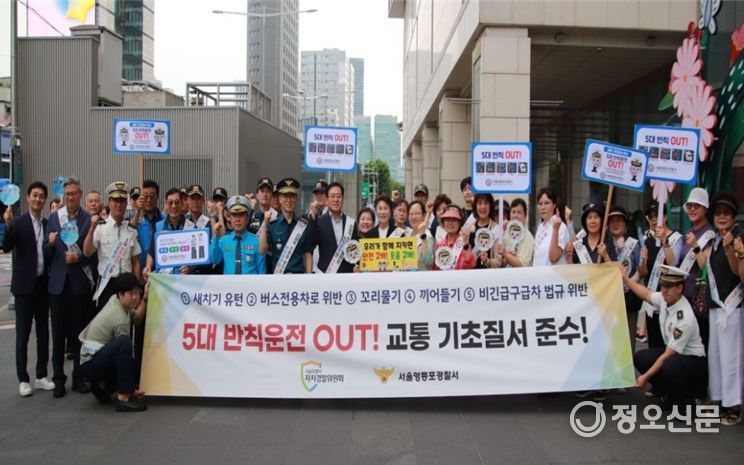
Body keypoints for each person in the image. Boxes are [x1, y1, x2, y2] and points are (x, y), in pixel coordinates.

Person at [622, 265, 707, 409]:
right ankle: (670, 393)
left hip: (692, 361)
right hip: (676, 356)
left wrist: (645, 377)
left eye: (669, 287)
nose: (664, 290)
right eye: (663, 286)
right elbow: (646, 294)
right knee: (641, 358)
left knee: (669, 365)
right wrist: (626, 280)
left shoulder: (684, 317)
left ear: (679, 288)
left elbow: (668, 355)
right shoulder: (665, 299)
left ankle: (687, 403)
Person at [3, 181, 55, 396]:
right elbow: (6, 246)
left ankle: (41, 376)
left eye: (41, 196)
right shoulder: (18, 222)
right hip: (24, 287)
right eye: (34, 195)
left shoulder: (47, 224)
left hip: (42, 285)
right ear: (27, 197)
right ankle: (23, 379)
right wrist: (7, 225)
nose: (38, 199)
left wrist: (51, 245)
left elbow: (48, 256)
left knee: (43, 332)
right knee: (23, 334)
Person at [46, 176, 93, 397]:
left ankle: (78, 378)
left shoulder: (88, 219)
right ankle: (58, 379)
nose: (70, 197)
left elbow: (92, 253)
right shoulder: (55, 218)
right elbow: (46, 253)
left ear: (80, 195)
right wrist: (50, 244)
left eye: (74, 194)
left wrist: (79, 258)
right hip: (58, 285)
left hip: (79, 284)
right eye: (67, 194)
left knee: (78, 335)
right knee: (58, 336)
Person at [79, 272, 147, 412]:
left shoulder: (116, 301)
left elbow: (137, 319)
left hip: (94, 359)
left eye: (137, 293)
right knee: (124, 344)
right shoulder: (119, 319)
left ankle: (102, 387)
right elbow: (124, 353)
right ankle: (123, 398)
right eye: (131, 294)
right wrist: (131, 389)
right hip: (91, 364)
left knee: (135, 366)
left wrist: (145, 299)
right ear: (121, 294)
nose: (135, 297)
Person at [704, 192, 743, 426]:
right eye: (718, 213)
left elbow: (738, 272)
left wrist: (732, 250)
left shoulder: (737, 237)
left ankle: (733, 405)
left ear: (733, 216)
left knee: (731, 359)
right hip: (716, 306)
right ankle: (719, 399)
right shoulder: (716, 240)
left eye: (726, 213)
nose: (721, 217)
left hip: (732, 306)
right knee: (716, 357)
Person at [83, 182, 142, 312]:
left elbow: (135, 262)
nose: (119, 205)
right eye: (115, 200)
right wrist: (91, 229)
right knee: (107, 322)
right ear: (109, 203)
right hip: (107, 283)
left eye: (122, 201)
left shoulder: (131, 230)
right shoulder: (100, 227)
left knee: (126, 322)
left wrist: (136, 288)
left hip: (127, 284)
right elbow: (87, 252)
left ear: (126, 203)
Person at [638, 201, 683, 350]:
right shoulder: (648, 240)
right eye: (650, 217)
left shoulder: (676, 238)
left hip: (669, 300)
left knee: (669, 345)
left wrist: (664, 240)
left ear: (665, 217)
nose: (653, 220)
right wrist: (643, 260)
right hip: (652, 300)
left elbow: (673, 264)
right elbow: (643, 272)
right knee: (654, 345)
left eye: (656, 216)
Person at [678, 187, 715, 349]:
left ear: (705, 209)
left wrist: (695, 246)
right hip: (684, 296)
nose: (692, 209)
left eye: (696, 206)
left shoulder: (710, 234)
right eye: (690, 205)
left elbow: (705, 267)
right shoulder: (689, 231)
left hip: (698, 300)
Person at [605, 205, 642, 352]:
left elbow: (641, 269)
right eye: (612, 221)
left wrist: (631, 282)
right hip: (609, 300)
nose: (615, 224)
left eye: (619, 220)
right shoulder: (604, 245)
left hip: (629, 299)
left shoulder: (634, 244)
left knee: (628, 342)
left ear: (625, 224)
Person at [259, 178, 313, 274]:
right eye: (285, 196)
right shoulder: (272, 225)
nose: (289, 200)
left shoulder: (303, 225)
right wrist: (265, 224)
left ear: (296, 199)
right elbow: (262, 250)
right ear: (280, 199)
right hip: (279, 278)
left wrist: (309, 277)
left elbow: (308, 254)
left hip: (298, 277)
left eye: (292, 196)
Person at [211, 195, 265, 275]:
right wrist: (215, 236)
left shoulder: (256, 241)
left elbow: (262, 271)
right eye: (234, 215)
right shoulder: (224, 241)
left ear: (247, 218)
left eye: (241, 215)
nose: (237, 219)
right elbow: (214, 260)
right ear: (230, 218)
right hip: (229, 283)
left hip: (251, 283)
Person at [312, 182, 356, 273]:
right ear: (327, 200)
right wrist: (312, 218)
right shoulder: (318, 222)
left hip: (346, 275)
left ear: (343, 199)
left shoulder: (351, 223)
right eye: (332, 196)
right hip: (325, 275)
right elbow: (310, 245)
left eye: (339, 196)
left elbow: (355, 250)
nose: (336, 200)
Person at [128, 180, 163, 271]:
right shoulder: (134, 218)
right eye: (145, 196)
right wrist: (138, 212)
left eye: (152, 196)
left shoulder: (164, 219)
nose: (148, 200)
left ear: (157, 197)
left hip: (160, 272)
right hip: (138, 271)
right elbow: (127, 233)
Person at [532, 187, 570, 266]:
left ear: (554, 205)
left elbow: (554, 257)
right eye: (540, 204)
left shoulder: (561, 227)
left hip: (553, 273)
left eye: (547, 203)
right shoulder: (540, 226)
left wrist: (555, 229)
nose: (543, 207)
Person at [433, 205, 476, 271]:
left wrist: (466, 244)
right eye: (447, 220)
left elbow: (471, 264)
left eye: (454, 220)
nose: (450, 223)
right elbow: (436, 268)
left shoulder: (464, 243)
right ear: (443, 222)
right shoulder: (439, 245)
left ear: (459, 223)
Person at [467, 194, 502, 269]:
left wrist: (487, 261)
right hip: (470, 274)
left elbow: (499, 262)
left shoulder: (496, 229)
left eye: (486, 203)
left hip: (488, 274)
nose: (482, 207)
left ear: (490, 206)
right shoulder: (469, 227)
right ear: (475, 206)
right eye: (479, 203)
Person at [498, 198, 534, 267]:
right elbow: (502, 263)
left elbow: (523, 265)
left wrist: (507, 255)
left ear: (525, 216)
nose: (515, 215)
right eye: (513, 212)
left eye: (519, 212)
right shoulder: (506, 234)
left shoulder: (528, 237)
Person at [408, 200, 434, 270]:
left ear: (423, 215)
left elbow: (429, 261)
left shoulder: (428, 236)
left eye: (417, 213)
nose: (414, 217)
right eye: (411, 214)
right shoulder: (406, 234)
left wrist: (423, 237)